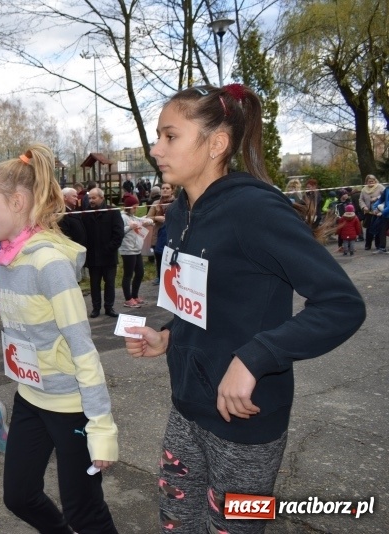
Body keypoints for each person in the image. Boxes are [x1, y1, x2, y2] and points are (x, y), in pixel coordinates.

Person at [123, 83, 365, 534]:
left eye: (170, 136)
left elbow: (341, 305)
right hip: (187, 409)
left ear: (217, 144)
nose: (156, 148)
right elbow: (208, 301)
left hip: (248, 424)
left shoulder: (255, 210)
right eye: (158, 135)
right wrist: (169, 335)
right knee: (175, 523)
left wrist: (254, 359)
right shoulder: (179, 212)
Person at [0, 144, 119, 534]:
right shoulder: (5, 259)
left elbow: (82, 347)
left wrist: (101, 427)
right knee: (18, 496)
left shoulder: (49, 264)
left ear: (18, 202)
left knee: (84, 511)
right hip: (30, 396)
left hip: (71, 405)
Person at [83, 187, 124, 318]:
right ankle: (96, 307)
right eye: (89, 198)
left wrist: (109, 248)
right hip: (93, 256)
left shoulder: (113, 211)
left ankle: (109, 307)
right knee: (94, 284)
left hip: (109, 256)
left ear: (102, 198)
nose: (91, 200)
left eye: (93, 198)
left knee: (110, 283)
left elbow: (119, 233)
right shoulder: (86, 213)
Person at [119, 210, 154, 308]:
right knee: (128, 274)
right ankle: (128, 299)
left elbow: (145, 219)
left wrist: (148, 221)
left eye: (136, 207)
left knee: (140, 272)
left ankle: (135, 296)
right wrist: (130, 227)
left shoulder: (134, 217)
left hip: (137, 249)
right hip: (127, 250)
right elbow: (120, 231)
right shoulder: (123, 217)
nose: (136, 209)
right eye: (134, 207)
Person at [147, 182, 175, 286]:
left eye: (167, 188)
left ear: (172, 190)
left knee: (172, 259)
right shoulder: (156, 203)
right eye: (163, 188)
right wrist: (156, 218)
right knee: (158, 257)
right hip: (158, 235)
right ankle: (159, 276)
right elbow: (148, 218)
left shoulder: (176, 203)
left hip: (173, 235)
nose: (165, 190)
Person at [358, 174, 385, 250]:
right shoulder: (364, 189)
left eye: (372, 181)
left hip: (378, 212)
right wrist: (364, 206)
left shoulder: (380, 187)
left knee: (378, 228)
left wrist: (377, 198)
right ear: (366, 182)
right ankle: (368, 245)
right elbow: (361, 200)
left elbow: (386, 195)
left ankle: (378, 245)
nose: (370, 183)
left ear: (375, 181)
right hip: (368, 212)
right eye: (369, 181)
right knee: (369, 229)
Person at [371, 185, 389, 254]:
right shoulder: (387, 189)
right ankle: (382, 248)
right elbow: (381, 199)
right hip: (385, 215)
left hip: (385, 213)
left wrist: (382, 212)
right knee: (382, 230)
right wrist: (374, 207)